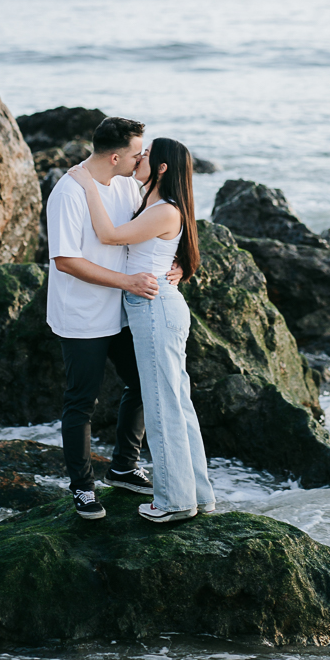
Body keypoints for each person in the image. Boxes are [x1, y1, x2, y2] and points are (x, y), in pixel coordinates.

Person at [68, 137, 216, 524]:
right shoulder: (148, 198)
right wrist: (181, 265)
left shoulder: (165, 210)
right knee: (176, 403)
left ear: (163, 168)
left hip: (155, 309)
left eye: (146, 155)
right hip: (154, 306)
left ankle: (175, 502)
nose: (139, 158)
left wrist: (86, 184)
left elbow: (110, 236)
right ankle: (198, 493)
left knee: (164, 406)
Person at [45, 116, 182, 520]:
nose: (143, 158)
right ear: (118, 156)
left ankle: (123, 465)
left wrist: (176, 265)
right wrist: (127, 280)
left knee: (142, 383)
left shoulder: (126, 183)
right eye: (139, 152)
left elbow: (159, 224)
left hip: (123, 311)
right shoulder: (68, 192)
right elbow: (67, 261)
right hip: (82, 314)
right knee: (81, 401)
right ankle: (83, 488)